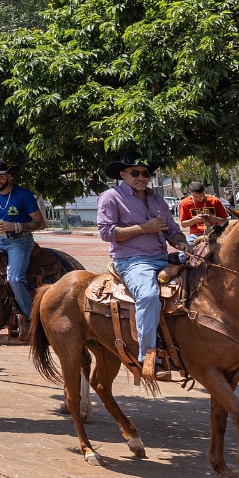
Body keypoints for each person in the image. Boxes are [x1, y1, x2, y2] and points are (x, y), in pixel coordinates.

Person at [96, 153, 187, 382]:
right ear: (123, 174)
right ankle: (148, 356)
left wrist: (182, 242)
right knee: (148, 296)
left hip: (163, 257)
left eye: (145, 173)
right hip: (132, 261)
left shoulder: (157, 199)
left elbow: (172, 230)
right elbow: (106, 232)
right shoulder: (111, 197)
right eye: (135, 173)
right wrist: (144, 228)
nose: (141, 177)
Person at [0, 158, 44, 331]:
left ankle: (31, 320)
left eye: (0, 176)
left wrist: (16, 226)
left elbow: (40, 223)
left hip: (20, 242)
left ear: (9, 176)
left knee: (14, 279)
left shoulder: (24, 195)